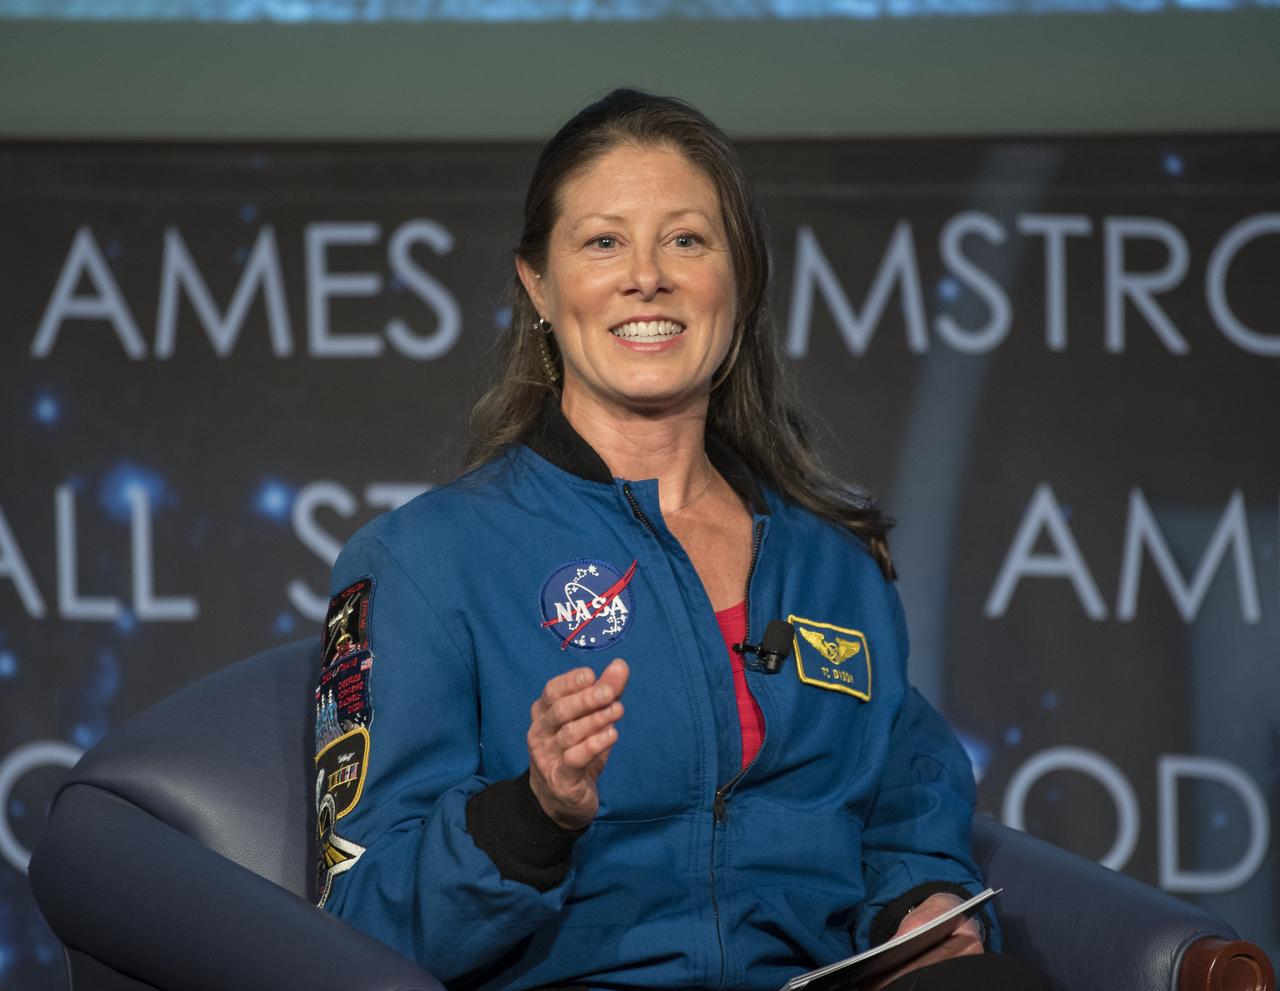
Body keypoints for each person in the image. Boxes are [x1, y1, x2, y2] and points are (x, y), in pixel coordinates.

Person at [312, 88, 1048, 991]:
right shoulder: (423, 560)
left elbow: (905, 806)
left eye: (687, 240)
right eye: (603, 241)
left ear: (740, 282)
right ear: (539, 286)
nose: (647, 276)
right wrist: (532, 812)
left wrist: (920, 903)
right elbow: (355, 925)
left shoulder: (834, 565)